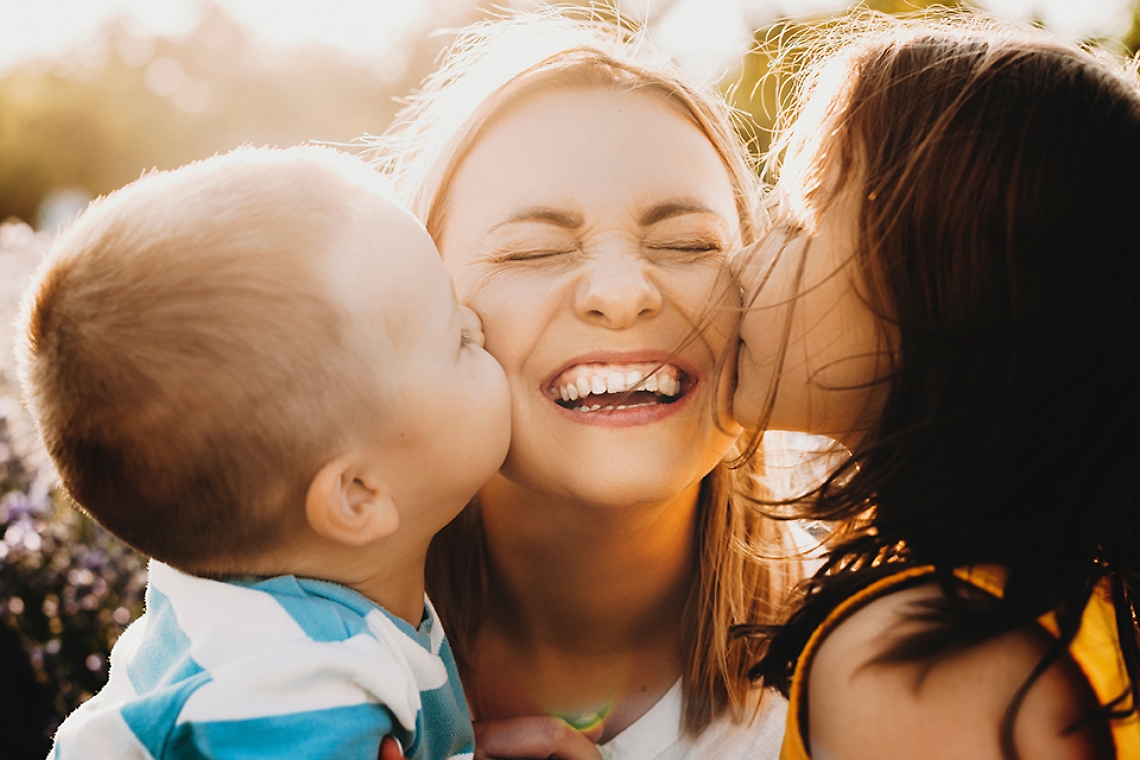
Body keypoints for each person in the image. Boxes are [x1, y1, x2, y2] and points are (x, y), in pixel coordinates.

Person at [372, 9, 799, 758]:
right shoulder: (261, 648)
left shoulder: (878, 668)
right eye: (532, 252)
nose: (622, 291)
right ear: (421, 301)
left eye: (688, 243)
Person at [732, 15, 1140, 760]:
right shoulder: (1060, 598)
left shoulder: (913, 663)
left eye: (800, 216)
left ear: (950, 294)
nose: (744, 261)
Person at [16, 146, 511, 759]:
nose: (479, 322)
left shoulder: (237, 607)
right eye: (457, 338)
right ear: (357, 494)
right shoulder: (297, 689)